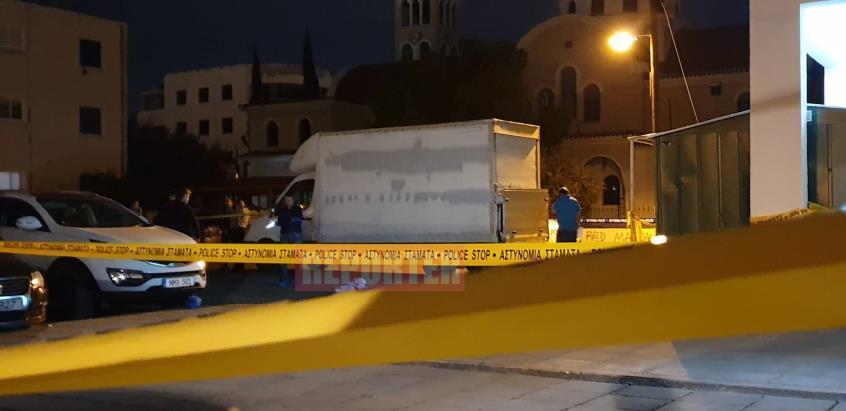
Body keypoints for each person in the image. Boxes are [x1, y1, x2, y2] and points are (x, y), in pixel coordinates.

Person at [276, 195, 303, 287]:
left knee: (298, 258)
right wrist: (289, 220)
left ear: (293, 200)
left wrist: (286, 221)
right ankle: (284, 279)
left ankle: (299, 280)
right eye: (286, 200)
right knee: (283, 257)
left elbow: (297, 220)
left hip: (295, 234)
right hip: (285, 234)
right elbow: (280, 222)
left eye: (289, 200)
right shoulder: (282, 210)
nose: (287, 202)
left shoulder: (297, 209)